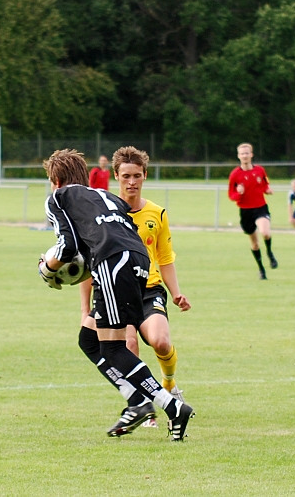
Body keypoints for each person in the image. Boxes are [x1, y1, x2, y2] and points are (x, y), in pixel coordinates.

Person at [40, 149, 194, 441]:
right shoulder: (107, 198)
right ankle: (136, 401)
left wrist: (47, 269)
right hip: (137, 264)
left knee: (113, 349)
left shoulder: (58, 198)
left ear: (56, 180)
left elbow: (69, 246)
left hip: (115, 264)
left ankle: (171, 406)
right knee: (89, 338)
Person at [79, 146, 191, 429]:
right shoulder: (104, 215)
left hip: (149, 289)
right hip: (115, 290)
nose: (132, 182)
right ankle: (147, 406)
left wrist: (176, 292)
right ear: (116, 176)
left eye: (137, 176)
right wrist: (84, 310)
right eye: (126, 176)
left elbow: (165, 258)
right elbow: (88, 266)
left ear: (145, 176)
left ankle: (169, 384)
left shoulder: (156, 214)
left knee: (161, 342)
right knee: (127, 344)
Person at [228, 143, 278, 279]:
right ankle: (261, 269)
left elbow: (265, 184)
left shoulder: (260, 171)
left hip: (260, 207)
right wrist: (239, 194)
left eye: (247, 153)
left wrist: (267, 190)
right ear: (239, 156)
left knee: (265, 232)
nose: (245, 156)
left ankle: (269, 252)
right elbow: (231, 195)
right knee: (255, 243)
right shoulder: (235, 175)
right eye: (242, 153)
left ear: (251, 154)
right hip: (245, 211)